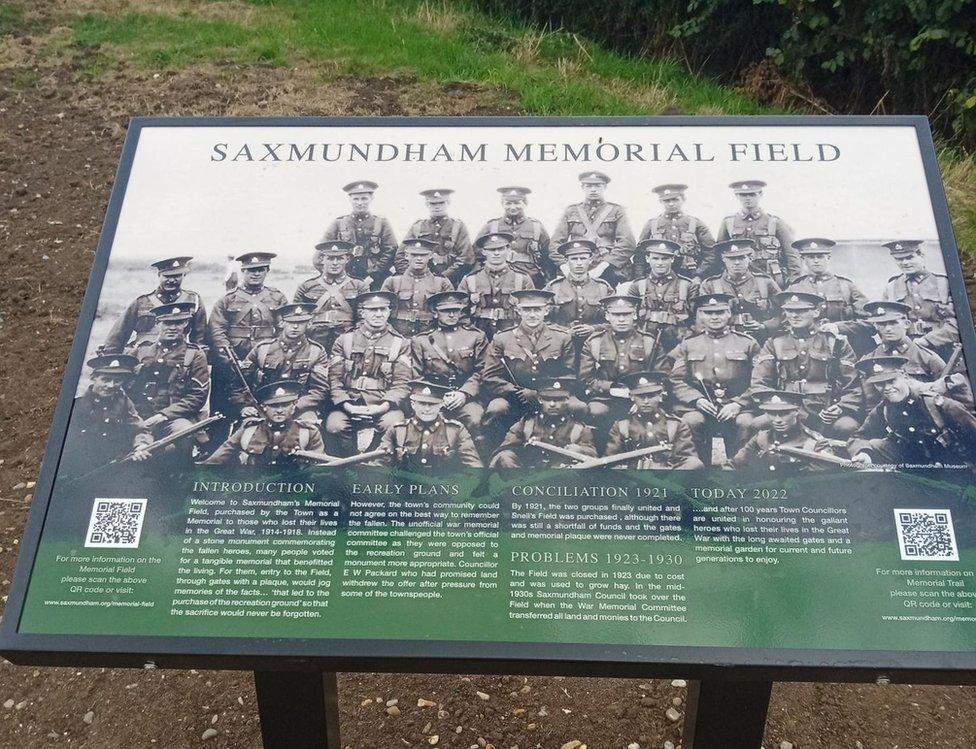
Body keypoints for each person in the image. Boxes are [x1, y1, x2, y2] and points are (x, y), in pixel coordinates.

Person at [750, 292, 861, 438]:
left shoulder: (835, 342)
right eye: (789, 311)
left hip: (826, 411)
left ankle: (847, 461)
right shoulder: (775, 342)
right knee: (755, 425)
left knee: (848, 427)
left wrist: (840, 407)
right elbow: (759, 384)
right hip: (786, 411)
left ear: (816, 312)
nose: (794, 315)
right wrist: (781, 408)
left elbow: (853, 385)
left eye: (801, 311)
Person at [668, 293, 759, 465]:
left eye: (720, 312)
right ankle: (699, 473)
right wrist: (697, 400)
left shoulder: (748, 343)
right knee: (691, 421)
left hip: (736, 406)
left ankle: (739, 472)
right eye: (709, 313)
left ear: (729, 313)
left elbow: (759, 381)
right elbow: (676, 380)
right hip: (702, 406)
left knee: (746, 423)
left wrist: (738, 404)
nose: (715, 317)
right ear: (701, 315)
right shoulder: (688, 344)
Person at [325, 291, 412, 455]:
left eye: (383, 309)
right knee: (335, 426)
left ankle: (375, 461)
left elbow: (402, 384)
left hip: (384, 405)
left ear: (389, 312)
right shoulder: (345, 340)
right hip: (349, 402)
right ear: (362, 312)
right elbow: (334, 381)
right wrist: (347, 405)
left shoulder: (400, 343)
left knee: (394, 425)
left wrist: (383, 407)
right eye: (373, 310)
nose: (378, 314)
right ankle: (346, 462)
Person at [849, 356, 976, 467]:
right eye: (879, 384)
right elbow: (858, 436)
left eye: (892, 381)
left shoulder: (937, 404)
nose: (887, 388)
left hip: (951, 466)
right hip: (915, 464)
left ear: (904, 376)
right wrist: (864, 453)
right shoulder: (884, 408)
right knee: (874, 444)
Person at [481, 289, 577, 435]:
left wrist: (541, 393)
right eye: (526, 310)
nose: (532, 315)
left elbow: (569, 375)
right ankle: (496, 451)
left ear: (547, 310)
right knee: (496, 408)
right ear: (518, 311)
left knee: (578, 407)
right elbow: (490, 377)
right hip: (514, 398)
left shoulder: (562, 338)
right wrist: (516, 392)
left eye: (537, 309)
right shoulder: (502, 339)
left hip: (552, 396)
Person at [207, 252, 288, 420]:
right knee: (223, 407)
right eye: (251, 270)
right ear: (243, 271)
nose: (256, 274)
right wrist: (229, 359)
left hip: (265, 360)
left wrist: (274, 355)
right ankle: (216, 443)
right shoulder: (227, 300)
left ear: (267, 271)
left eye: (260, 269)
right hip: (232, 359)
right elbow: (217, 330)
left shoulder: (277, 297)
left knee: (266, 403)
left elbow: (284, 330)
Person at [127, 302, 210, 458]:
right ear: (157, 323)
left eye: (178, 323)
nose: (172, 328)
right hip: (139, 415)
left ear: (185, 323)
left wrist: (163, 415)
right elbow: (124, 387)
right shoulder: (140, 351)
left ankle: (180, 476)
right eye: (167, 323)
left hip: (174, 417)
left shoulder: (194, 355)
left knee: (184, 433)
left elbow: (197, 396)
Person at [579, 294, 667, 426]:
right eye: (616, 315)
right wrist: (611, 389)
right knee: (596, 412)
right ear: (607, 316)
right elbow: (586, 379)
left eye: (626, 314)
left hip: (643, 396)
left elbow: (663, 377)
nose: (621, 319)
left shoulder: (649, 342)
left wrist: (641, 398)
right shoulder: (595, 342)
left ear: (635, 315)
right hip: (605, 398)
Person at [409, 290, 488, 434]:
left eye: (455, 311)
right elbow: (416, 375)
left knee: (475, 418)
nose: (452, 315)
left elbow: (482, 370)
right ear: (435, 312)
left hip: (465, 397)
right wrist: (435, 397)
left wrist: (464, 393)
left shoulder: (476, 337)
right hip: (432, 398)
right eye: (446, 311)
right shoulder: (421, 340)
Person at [60, 354, 152, 477]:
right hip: (78, 470)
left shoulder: (123, 401)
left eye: (117, 381)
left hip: (115, 465)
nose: (111, 385)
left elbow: (139, 428)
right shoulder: (77, 402)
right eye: (106, 379)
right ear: (93, 378)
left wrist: (141, 445)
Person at [239, 303, 330, 422]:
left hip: (299, 407)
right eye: (291, 323)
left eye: (301, 323)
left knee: (309, 425)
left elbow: (319, 390)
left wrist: (294, 406)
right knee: (249, 426)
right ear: (282, 323)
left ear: (308, 324)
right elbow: (240, 382)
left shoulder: (316, 352)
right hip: (264, 406)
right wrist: (245, 406)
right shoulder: (262, 349)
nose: (295, 327)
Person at [202, 381, 325, 466]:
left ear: (294, 406)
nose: (280, 410)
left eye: (285, 405)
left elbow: (322, 470)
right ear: (264, 407)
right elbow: (216, 461)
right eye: (274, 405)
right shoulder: (248, 430)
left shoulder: (308, 432)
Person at [785, 237, 874, 354]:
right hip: (808, 352)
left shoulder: (846, 286)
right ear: (803, 259)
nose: (816, 261)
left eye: (820, 256)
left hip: (845, 350)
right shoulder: (795, 289)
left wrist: (839, 327)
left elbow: (870, 322)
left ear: (828, 258)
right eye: (811, 257)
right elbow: (784, 323)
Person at [102, 256, 206, 353]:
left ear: (184, 275)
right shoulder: (141, 302)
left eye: (177, 276)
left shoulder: (193, 300)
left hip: (178, 355)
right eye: (167, 276)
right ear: (159, 275)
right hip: (143, 356)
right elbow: (117, 337)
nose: (171, 280)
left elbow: (199, 338)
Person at [490, 375, 597, 468]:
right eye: (547, 399)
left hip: (561, 479)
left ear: (566, 400)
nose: (552, 404)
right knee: (505, 457)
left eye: (558, 400)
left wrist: (579, 450)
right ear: (540, 399)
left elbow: (593, 455)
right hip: (527, 479)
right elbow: (503, 450)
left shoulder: (578, 428)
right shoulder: (527, 423)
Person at [551, 171, 635, 285]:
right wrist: (565, 266)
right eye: (589, 186)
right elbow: (554, 244)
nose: (593, 189)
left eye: (598, 185)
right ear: (582, 187)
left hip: (606, 268)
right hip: (575, 265)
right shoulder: (571, 211)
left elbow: (627, 243)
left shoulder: (616, 211)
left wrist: (604, 265)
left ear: (604, 187)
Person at [605, 371, 703, 469]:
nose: (646, 402)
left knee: (694, 463)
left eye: (651, 396)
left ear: (660, 395)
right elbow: (610, 460)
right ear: (632, 397)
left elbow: (686, 458)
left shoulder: (675, 425)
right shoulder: (622, 426)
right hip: (633, 477)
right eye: (641, 397)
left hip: (667, 477)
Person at [378, 379, 483, 470]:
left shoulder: (455, 430)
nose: (427, 409)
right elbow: (378, 465)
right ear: (413, 404)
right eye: (422, 404)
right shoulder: (398, 430)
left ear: (441, 405)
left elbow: (474, 468)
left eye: (432, 404)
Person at [882, 240, 960, 360]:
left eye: (910, 257)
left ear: (921, 256)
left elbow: (958, 322)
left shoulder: (943, 283)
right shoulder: (892, 287)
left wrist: (928, 340)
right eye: (899, 259)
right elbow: (885, 322)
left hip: (944, 348)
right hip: (907, 351)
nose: (905, 263)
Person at [617, 239, 696, 353]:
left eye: (665, 259)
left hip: (679, 345)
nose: (660, 263)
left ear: (672, 259)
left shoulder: (687, 286)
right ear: (647, 259)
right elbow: (630, 319)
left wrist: (685, 345)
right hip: (644, 344)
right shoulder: (638, 286)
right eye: (655, 258)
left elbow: (695, 321)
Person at [716, 180, 799, 287]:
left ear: (760, 195)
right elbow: (719, 253)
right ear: (737, 196)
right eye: (743, 195)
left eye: (752, 194)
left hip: (770, 277)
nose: (748, 198)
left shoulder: (774, 222)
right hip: (737, 279)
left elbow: (792, 254)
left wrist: (794, 281)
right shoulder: (728, 222)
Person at [698, 239, 781, 344]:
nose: (737, 262)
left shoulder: (765, 282)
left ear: (750, 258)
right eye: (731, 258)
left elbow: (784, 312)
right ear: (724, 259)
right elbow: (700, 319)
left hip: (761, 341)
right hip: (722, 342)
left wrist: (765, 326)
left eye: (741, 258)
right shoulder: (710, 285)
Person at [731, 389, 836, 472]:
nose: (777, 420)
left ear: (797, 411)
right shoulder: (761, 438)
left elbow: (818, 484)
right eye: (771, 413)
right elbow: (734, 465)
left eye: (784, 413)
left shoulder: (815, 444)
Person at [320, 180, 397, 288]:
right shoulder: (339, 223)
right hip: (343, 281)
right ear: (350, 200)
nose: (360, 203)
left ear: (371, 199)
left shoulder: (381, 223)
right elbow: (321, 252)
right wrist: (335, 275)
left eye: (364, 198)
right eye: (356, 199)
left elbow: (390, 251)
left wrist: (374, 275)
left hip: (376, 280)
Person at [294, 241, 368, 352]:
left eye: (339, 258)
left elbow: (364, 318)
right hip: (314, 342)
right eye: (330, 258)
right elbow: (297, 318)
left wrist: (353, 340)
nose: (335, 263)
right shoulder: (307, 287)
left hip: (348, 342)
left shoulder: (359, 286)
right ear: (322, 259)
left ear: (347, 259)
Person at [458, 232, 535, 338]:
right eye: (491, 250)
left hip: (513, 335)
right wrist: (471, 333)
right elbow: (460, 311)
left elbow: (532, 310)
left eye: (501, 249)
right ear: (484, 252)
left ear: (508, 250)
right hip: (480, 333)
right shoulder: (470, 279)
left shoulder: (522, 279)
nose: (496, 253)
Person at [543, 239, 613, 351]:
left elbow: (615, 320)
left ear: (590, 260)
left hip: (595, 344)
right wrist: (563, 331)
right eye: (574, 259)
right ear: (566, 261)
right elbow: (541, 319)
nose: (579, 263)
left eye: (583, 258)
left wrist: (593, 328)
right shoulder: (553, 288)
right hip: (560, 345)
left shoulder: (603, 288)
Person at [638, 183, 716, 278]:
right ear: (660, 202)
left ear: (683, 200)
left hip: (689, 275)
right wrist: (641, 278)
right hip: (657, 276)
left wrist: (699, 275)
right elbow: (640, 255)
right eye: (666, 200)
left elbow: (711, 252)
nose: (671, 203)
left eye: (675, 199)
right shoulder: (652, 224)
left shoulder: (696, 224)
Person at [477, 186, 552, 284]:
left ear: (525, 203)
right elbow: (477, 254)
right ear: (502, 204)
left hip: (531, 278)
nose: (512, 207)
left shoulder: (536, 227)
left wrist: (549, 280)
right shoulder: (492, 226)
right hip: (497, 279)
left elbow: (547, 257)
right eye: (508, 203)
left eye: (517, 203)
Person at [381, 239, 454, 337]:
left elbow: (450, 312)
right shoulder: (393, 282)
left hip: (431, 338)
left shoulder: (441, 282)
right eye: (414, 255)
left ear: (430, 256)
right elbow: (381, 311)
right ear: (406, 256)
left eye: (423, 255)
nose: (419, 259)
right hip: (399, 336)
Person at [400, 188, 474, 284]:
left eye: (441, 203)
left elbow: (466, 258)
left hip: (450, 282)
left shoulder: (458, 226)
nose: (437, 207)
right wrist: (413, 277)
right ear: (427, 204)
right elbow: (401, 256)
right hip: (418, 282)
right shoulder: (418, 227)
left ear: (448, 203)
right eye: (433, 204)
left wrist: (443, 278)